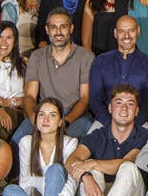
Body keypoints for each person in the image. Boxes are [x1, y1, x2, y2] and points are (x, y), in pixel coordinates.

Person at [66, 86, 148, 196]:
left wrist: (91, 163)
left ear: (137, 110)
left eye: (130, 104)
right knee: (90, 172)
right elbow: (71, 160)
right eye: (119, 103)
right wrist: (86, 177)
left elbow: (125, 162)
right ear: (110, 108)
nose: (124, 109)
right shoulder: (98, 135)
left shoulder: (146, 136)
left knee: (128, 168)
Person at [4, 98, 84, 196]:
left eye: (52, 115)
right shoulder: (26, 142)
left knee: (55, 170)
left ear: (60, 121)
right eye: (41, 115)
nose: (46, 119)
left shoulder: (70, 143)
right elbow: (26, 183)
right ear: (36, 119)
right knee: (9, 191)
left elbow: (72, 183)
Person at [19, 9, 95, 139]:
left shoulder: (86, 57)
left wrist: (65, 121)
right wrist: (35, 119)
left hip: (74, 116)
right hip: (44, 114)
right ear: (47, 30)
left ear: (71, 29)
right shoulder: (37, 56)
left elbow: (84, 99)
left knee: (67, 144)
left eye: (63, 27)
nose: (58, 32)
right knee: (17, 141)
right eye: (53, 27)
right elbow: (30, 96)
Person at [88, 16, 148, 130]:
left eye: (131, 30)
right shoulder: (100, 61)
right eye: (122, 31)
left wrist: (132, 126)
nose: (126, 36)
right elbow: (95, 100)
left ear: (138, 31)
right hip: (105, 122)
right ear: (115, 33)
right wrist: (110, 124)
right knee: (88, 144)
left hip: (139, 123)